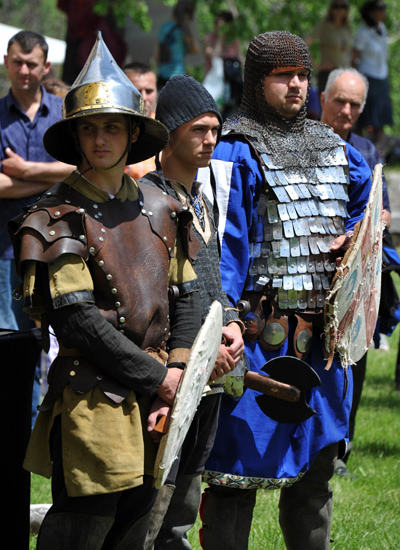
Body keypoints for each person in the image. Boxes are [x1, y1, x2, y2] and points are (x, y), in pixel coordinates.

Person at [9, 32, 201, 550]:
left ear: (132, 134)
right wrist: (158, 377)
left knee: (140, 517)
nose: (100, 140)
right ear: (75, 139)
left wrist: (177, 371)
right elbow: (77, 321)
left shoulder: (164, 206)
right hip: (93, 394)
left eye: (112, 128)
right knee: (85, 522)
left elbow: (185, 298)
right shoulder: (53, 216)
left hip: (162, 391)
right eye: (89, 129)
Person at [197, 31, 372, 550]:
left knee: (316, 479)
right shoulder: (234, 150)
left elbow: (369, 200)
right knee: (233, 479)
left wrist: (359, 234)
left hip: (324, 342)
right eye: (282, 76)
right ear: (257, 81)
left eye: (301, 75)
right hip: (257, 338)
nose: (295, 85)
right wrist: (227, 316)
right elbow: (223, 246)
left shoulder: (336, 150)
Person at [141, 74, 244, 549]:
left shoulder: (202, 201)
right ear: (169, 133)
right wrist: (186, 362)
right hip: (170, 373)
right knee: (151, 504)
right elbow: (158, 298)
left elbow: (211, 284)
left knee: (184, 500)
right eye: (198, 130)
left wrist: (232, 327)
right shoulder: (149, 202)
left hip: (209, 375)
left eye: (214, 129)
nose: (210, 140)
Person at [320, 66, 400, 475]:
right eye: (340, 101)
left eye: (354, 104)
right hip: (310, 275)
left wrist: (371, 223)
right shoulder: (305, 143)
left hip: (358, 279)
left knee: (355, 363)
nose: (346, 110)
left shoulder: (368, 151)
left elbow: (382, 208)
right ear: (323, 100)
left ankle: (340, 449)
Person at [0, 30, 74, 331]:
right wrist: (54, 177)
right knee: (8, 338)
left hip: (60, 244)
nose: (24, 70)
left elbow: (81, 170)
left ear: (46, 67)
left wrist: (25, 170)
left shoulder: (64, 114)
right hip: (5, 248)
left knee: (59, 343)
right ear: (6, 62)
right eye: (18, 62)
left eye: (31, 64)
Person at [352, 0, 393, 151]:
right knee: (364, 119)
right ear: (371, 12)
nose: (383, 11)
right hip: (367, 77)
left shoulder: (381, 28)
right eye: (379, 8)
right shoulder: (363, 32)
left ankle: (379, 156)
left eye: (384, 8)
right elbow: (353, 57)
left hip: (382, 76)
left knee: (380, 120)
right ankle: (359, 153)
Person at [305, 0, 352, 95]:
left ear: (346, 9)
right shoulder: (324, 26)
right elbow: (304, 44)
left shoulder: (346, 28)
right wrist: (316, 66)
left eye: (343, 6)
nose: (339, 9)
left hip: (345, 75)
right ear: (331, 9)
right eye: (336, 6)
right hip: (328, 75)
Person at [123, 62, 159, 179]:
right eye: (137, 91)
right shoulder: (109, 129)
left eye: (149, 91)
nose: (143, 98)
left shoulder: (168, 129)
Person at [156, 0, 199, 89]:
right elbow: (195, 49)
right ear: (187, 16)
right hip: (178, 75)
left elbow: (157, 55)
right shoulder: (183, 31)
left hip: (163, 75)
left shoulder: (164, 28)